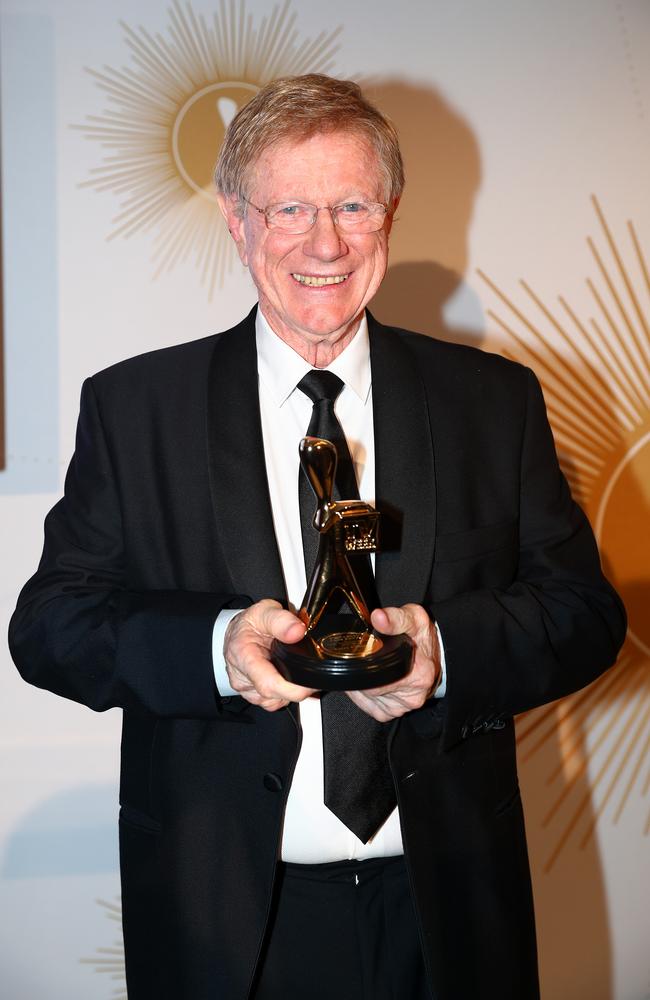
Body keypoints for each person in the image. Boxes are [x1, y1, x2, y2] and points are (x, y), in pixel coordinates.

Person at [9, 74, 625, 1000]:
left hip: (451, 912)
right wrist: (218, 649)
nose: (324, 243)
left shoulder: (492, 403)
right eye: (289, 206)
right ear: (237, 220)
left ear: (392, 213)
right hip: (230, 927)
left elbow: (584, 614)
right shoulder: (137, 409)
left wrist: (444, 653)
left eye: (351, 205)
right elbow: (50, 626)